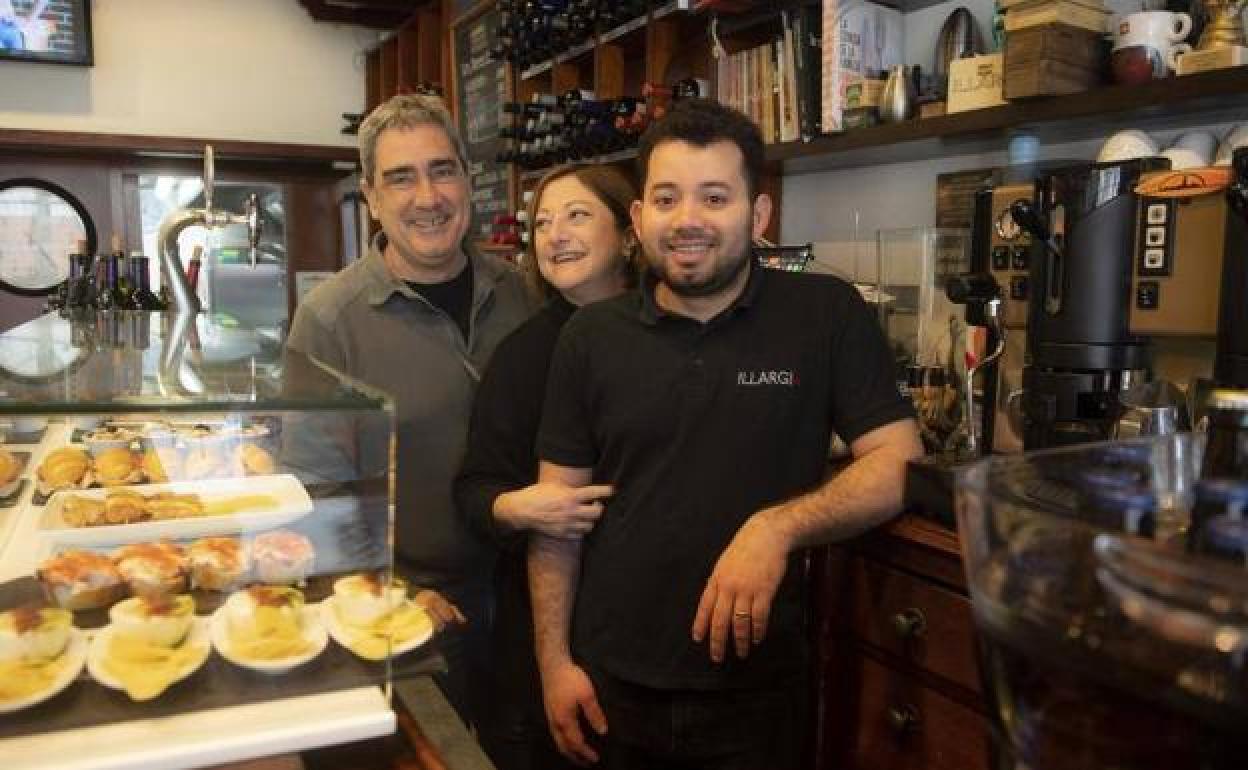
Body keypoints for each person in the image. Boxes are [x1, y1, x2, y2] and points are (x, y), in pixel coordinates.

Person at [530, 98, 924, 769]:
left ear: (759, 214)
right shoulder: (589, 337)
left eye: (715, 197)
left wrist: (777, 527)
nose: (688, 221)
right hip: (610, 687)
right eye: (666, 198)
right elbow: (555, 516)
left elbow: (898, 462)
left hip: (758, 693)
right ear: (638, 219)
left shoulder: (824, 314)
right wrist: (554, 664)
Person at [284, 93, 532, 727]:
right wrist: (394, 590)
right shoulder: (330, 320)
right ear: (371, 196)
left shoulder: (519, 291)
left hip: (531, 595)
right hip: (414, 608)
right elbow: (314, 494)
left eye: (442, 170)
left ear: (467, 181)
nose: (427, 196)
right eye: (402, 178)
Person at [455, 164, 640, 770]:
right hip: (542, 627)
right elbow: (473, 488)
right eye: (541, 222)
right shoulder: (524, 355)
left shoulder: (670, 331)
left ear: (631, 230)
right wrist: (518, 505)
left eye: (577, 215)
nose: (554, 233)